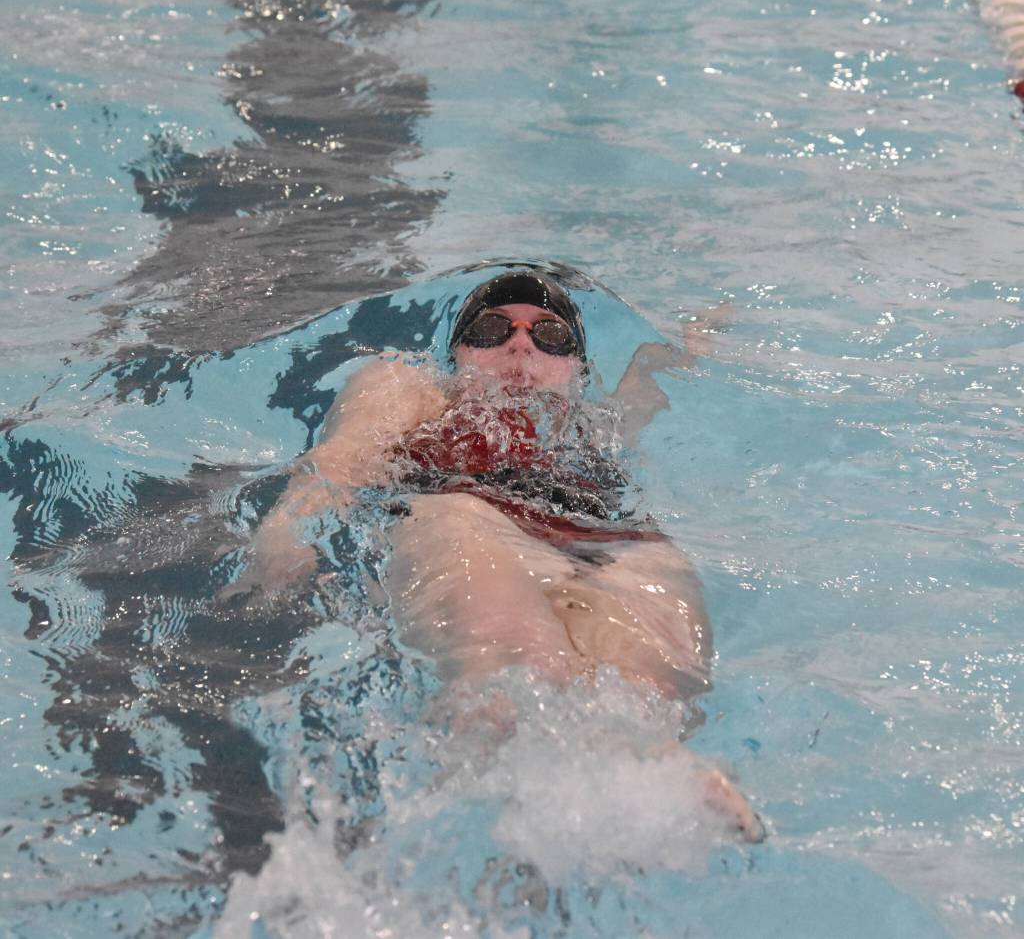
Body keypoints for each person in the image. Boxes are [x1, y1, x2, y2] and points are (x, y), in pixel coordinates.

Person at [226, 267, 763, 841]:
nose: (520, 343)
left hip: (606, 538)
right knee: (515, 666)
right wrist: (286, 528)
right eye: (490, 329)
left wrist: (717, 313)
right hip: (468, 510)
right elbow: (343, 458)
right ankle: (494, 772)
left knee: (649, 670)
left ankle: (652, 763)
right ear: (457, 352)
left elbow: (663, 365)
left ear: (577, 370)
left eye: (550, 337)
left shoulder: (598, 422)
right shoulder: (411, 387)